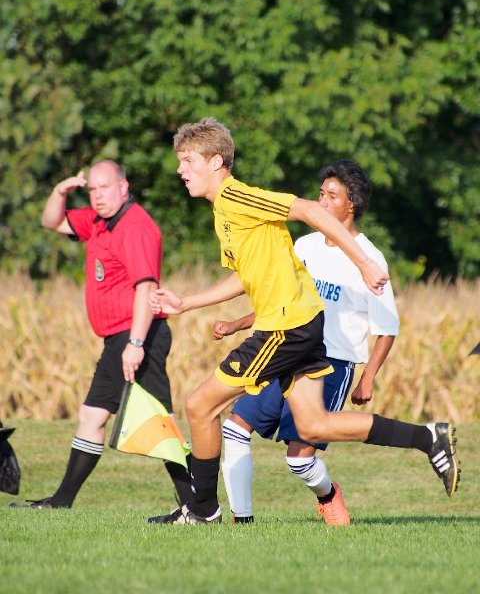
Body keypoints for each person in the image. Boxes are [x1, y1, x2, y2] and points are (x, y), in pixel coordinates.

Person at [149, 117, 460, 525]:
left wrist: (363, 262)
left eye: (188, 160)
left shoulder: (238, 196)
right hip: (303, 322)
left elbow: (309, 210)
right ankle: (427, 437)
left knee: (200, 405)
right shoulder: (223, 210)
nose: (180, 169)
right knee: (314, 424)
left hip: (285, 327)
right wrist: (187, 302)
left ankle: (203, 511)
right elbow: (245, 276)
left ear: (216, 162)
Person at [214, 159, 400, 525]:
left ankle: (328, 495)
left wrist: (367, 378)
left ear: (352, 204)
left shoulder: (370, 258)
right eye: (321, 194)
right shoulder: (305, 246)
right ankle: (241, 522)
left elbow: (387, 327)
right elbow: (281, 301)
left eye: (332, 195)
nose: (322, 201)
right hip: (285, 349)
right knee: (234, 427)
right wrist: (237, 323)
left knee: (299, 460)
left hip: (332, 363)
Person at [10, 160, 192, 509]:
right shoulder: (98, 220)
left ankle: (197, 507)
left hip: (139, 335)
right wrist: (59, 191)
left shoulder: (135, 226)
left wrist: (136, 344)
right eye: (92, 189)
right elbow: (52, 222)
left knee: (160, 422)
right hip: (119, 339)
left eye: (104, 188)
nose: (97, 196)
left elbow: (146, 288)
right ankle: (61, 501)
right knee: (92, 416)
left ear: (123, 187)